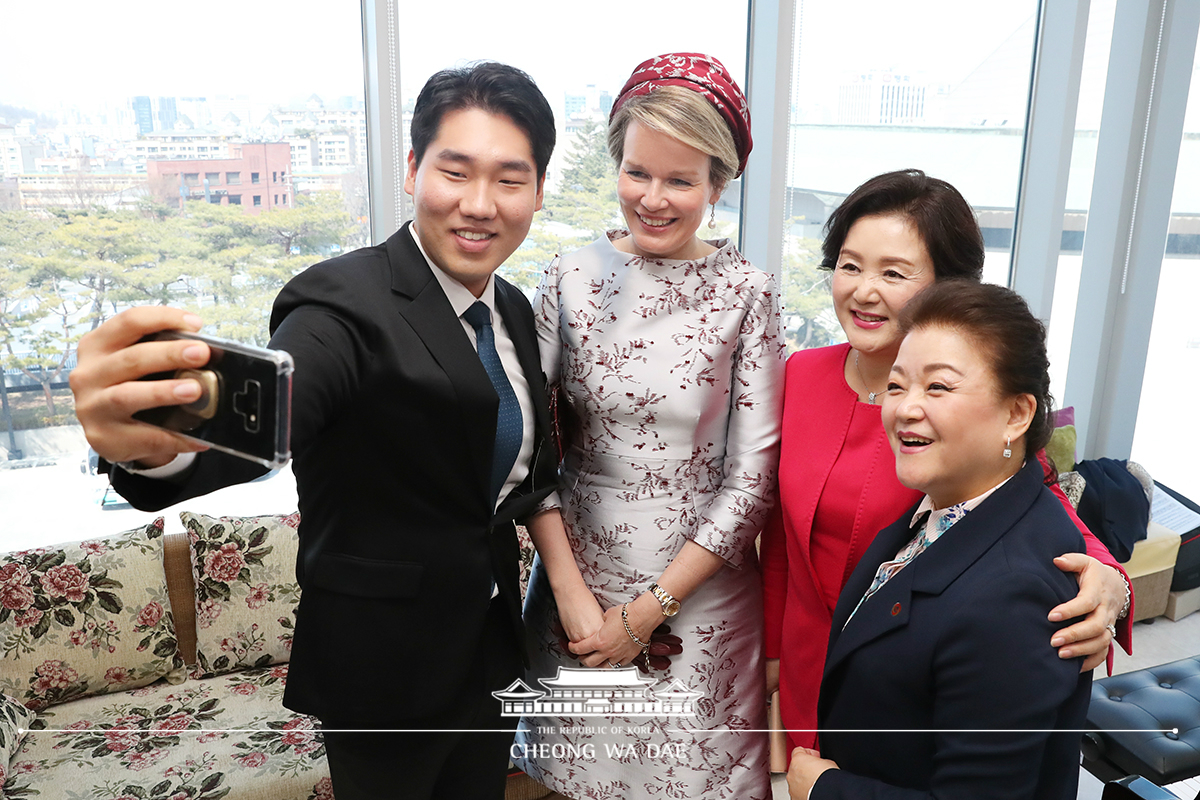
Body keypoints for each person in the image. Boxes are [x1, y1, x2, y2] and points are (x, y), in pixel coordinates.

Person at [68, 62, 559, 800]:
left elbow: (507, 477)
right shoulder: (344, 302)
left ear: (538, 190)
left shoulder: (514, 311)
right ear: (412, 170)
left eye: (510, 179)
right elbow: (287, 393)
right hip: (382, 674)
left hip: (485, 654)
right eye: (454, 171)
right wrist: (160, 439)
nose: (479, 205)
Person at [760, 169, 1132, 754]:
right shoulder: (800, 375)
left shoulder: (967, 411)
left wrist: (1112, 582)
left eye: (893, 273)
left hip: (909, 679)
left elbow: (1040, 506)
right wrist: (774, 653)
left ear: (947, 287)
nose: (862, 291)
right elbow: (781, 535)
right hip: (811, 661)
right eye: (850, 266)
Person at [512, 53, 783, 799]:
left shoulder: (747, 296)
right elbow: (529, 450)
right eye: (638, 173)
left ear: (718, 185)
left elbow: (752, 482)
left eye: (680, 180)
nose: (653, 199)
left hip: (700, 612)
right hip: (576, 595)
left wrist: (651, 609)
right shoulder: (567, 277)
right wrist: (571, 593)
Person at [787, 280, 1093, 799]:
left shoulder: (1013, 595)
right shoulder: (947, 505)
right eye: (899, 385)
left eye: (938, 387)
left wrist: (826, 790)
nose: (904, 409)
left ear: (1017, 414)